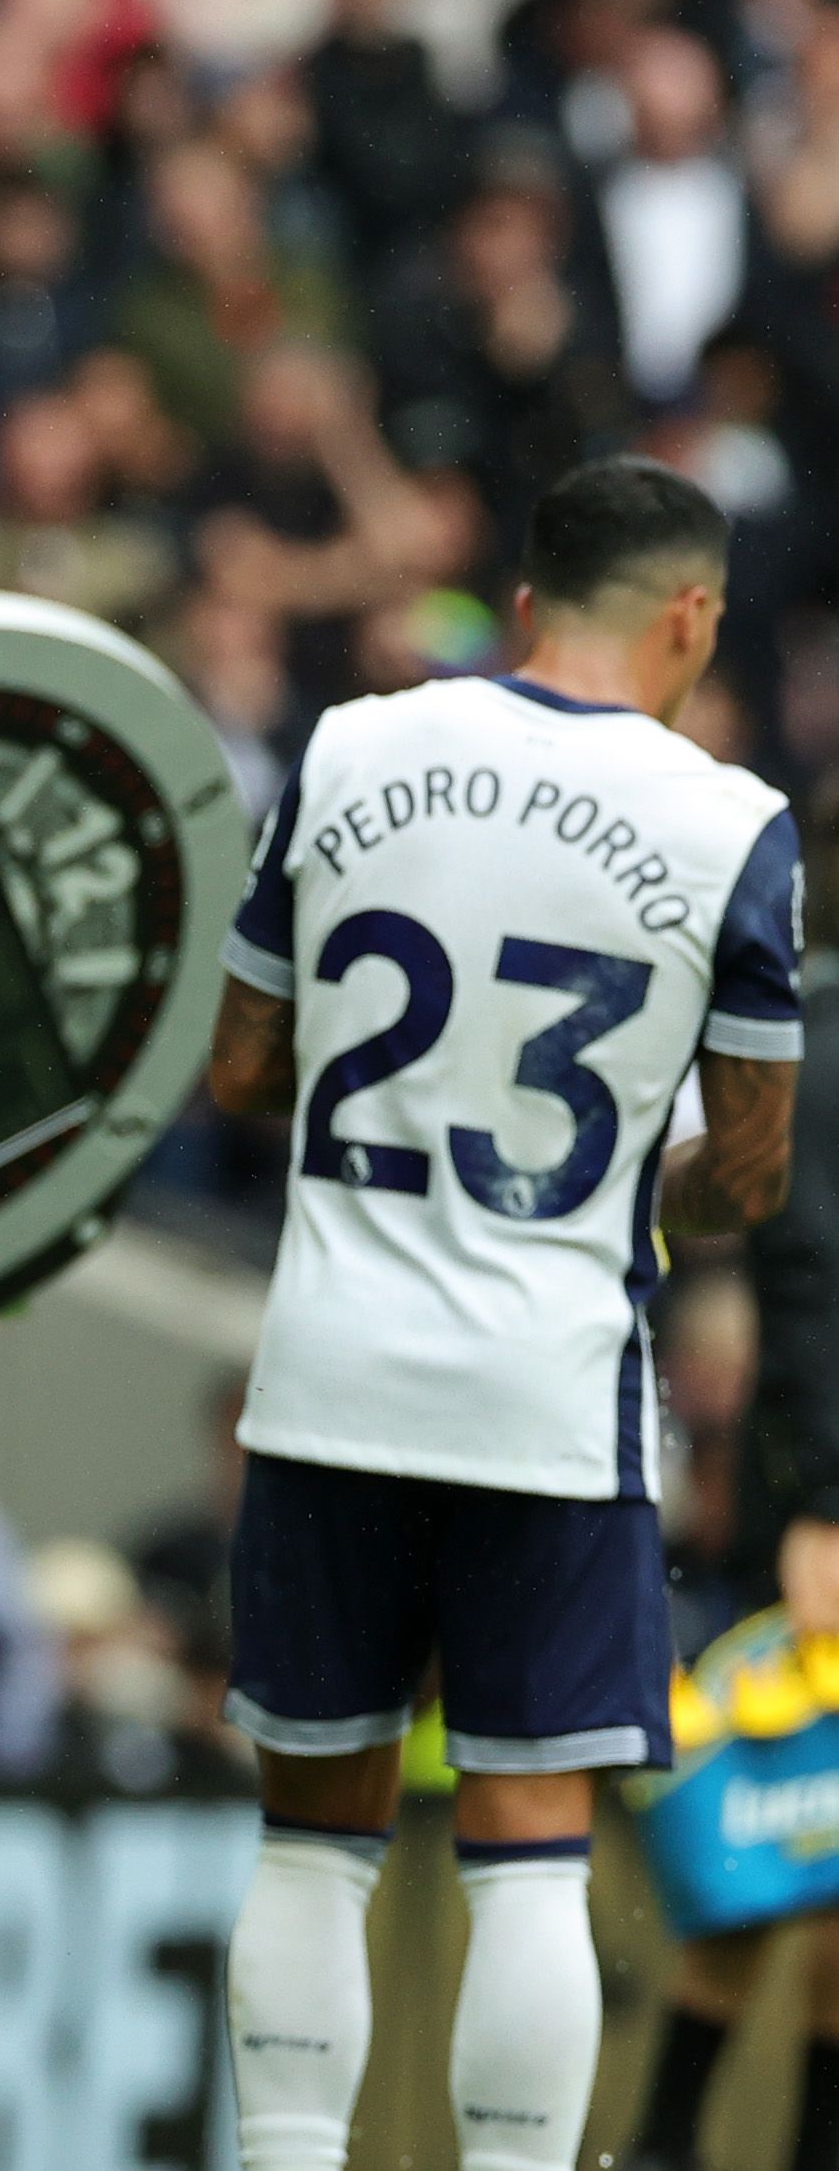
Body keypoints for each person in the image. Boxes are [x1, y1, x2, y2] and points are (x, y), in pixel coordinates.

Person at [210, 456, 803, 2171]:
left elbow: (238, 1069)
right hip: (542, 1393)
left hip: (327, 1371)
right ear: (689, 615)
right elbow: (744, 1172)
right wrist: (611, 1180)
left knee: (308, 1836)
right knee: (527, 1843)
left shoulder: (345, 748)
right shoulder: (727, 825)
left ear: (525, 597)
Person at [632, 805, 839, 2171]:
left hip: (811, 1484)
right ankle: (664, 2141)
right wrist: (822, 1496)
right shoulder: (815, 1045)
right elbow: (807, 1270)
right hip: (820, 1500)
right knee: (780, 1835)